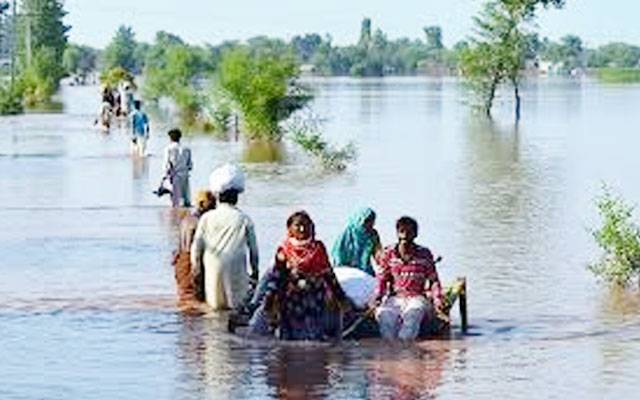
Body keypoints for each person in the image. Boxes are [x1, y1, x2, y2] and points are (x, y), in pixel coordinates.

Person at [248, 211, 349, 341]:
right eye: (298, 225)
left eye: (306, 225)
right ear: (290, 228)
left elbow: (329, 275)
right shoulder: (284, 250)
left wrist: (341, 298)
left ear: (311, 227)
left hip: (314, 299)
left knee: (315, 337)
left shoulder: (318, 248)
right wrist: (269, 302)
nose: (302, 229)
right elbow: (276, 278)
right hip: (292, 300)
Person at [191, 164, 259, 310]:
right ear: (236, 198)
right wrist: (255, 272)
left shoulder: (206, 218)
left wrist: (196, 268)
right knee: (235, 308)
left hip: (212, 265)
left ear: (218, 197)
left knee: (215, 309)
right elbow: (254, 250)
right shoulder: (244, 218)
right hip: (236, 267)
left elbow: (196, 246)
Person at [374, 216, 444, 341]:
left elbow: (434, 280)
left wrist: (438, 300)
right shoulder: (388, 253)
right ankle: (391, 350)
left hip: (417, 297)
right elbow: (382, 280)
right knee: (385, 317)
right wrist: (377, 297)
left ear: (415, 234)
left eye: (409, 232)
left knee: (412, 315)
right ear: (397, 233)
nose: (405, 236)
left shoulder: (424, 254)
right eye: (402, 232)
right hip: (395, 298)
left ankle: (405, 351)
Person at [173, 190, 216, 307]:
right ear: (202, 204)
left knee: (184, 301)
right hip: (190, 263)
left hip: (181, 261)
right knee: (195, 302)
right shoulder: (200, 222)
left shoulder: (186, 219)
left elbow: (178, 247)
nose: (214, 209)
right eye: (212, 206)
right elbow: (197, 251)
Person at [331, 207, 382, 276]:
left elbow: (378, 254)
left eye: (372, 222)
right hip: (347, 271)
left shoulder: (373, 235)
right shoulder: (347, 233)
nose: (371, 224)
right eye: (367, 221)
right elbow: (337, 253)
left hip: (365, 271)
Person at [163, 128, 193, 208]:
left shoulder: (168, 149)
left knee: (174, 202)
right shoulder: (186, 149)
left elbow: (167, 164)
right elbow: (190, 165)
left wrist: (165, 176)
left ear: (170, 138)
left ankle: (174, 218)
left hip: (174, 176)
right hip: (185, 174)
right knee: (186, 198)